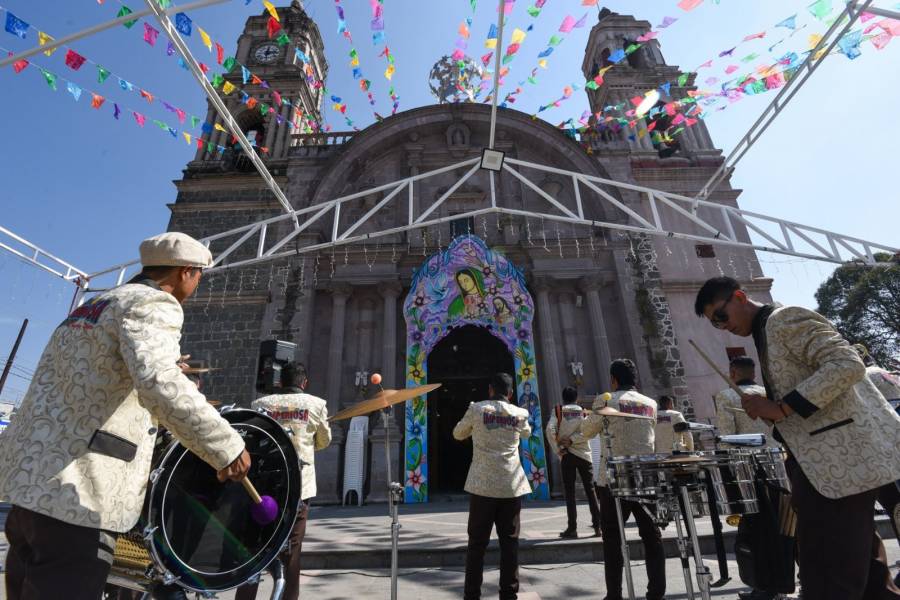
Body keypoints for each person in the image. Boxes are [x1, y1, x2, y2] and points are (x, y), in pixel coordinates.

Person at [0, 232, 250, 600]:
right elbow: (159, 385)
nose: (197, 285)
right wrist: (226, 445)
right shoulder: (154, 304)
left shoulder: (94, 306)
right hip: (79, 495)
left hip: (30, 491)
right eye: (199, 276)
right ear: (185, 272)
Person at [694, 276, 900, 600]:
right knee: (867, 577)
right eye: (714, 324)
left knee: (827, 577)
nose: (722, 326)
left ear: (739, 296)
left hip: (838, 466)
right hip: (831, 470)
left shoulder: (784, 319)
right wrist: (773, 411)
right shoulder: (767, 333)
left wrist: (782, 407)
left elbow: (846, 364)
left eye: (721, 315)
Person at [235, 362, 331, 600]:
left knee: (255, 547)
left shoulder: (260, 405)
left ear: (280, 382)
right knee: (292, 550)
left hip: (263, 488)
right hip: (298, 487)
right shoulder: (316, 405)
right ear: (304, 383)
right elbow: (324, 441)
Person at [582, 359, 666, 600]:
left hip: (614, 478)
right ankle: (657, 592)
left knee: (612, 537)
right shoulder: (650, 404)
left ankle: (615, 594)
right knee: (652, 536)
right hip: (646, 476)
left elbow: (587, 431)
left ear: (613, 380)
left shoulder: (606, 400)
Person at [453, 372, 532, 600]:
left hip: (483, 485)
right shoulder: (519, 413)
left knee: (477, 544)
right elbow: (527, 433)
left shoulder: (477, 409)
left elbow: (458, 433)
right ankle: (509, 594)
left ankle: (472, 595)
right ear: (510, 393)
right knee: (510, 542)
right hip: (510, 484)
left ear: (490, 390)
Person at [546, 386, 601, 539]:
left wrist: (558, 448)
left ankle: (572, 528)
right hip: (584, 455)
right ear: (577, 398)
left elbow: (550, 430)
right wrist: (574, 439)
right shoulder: (583, 412)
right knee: (591, 491)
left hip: (567, 454)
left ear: (563, 398)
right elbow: (589, 432)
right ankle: (597, 527)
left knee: (569, 493)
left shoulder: (558, 410)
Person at [715, 356, 775, 445]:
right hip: (777, 452)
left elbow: (727, 433)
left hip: (749, 455)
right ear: (754, 374)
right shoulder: (768, 393)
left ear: (732, 373)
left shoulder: (725, 396)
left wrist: (729, 457)